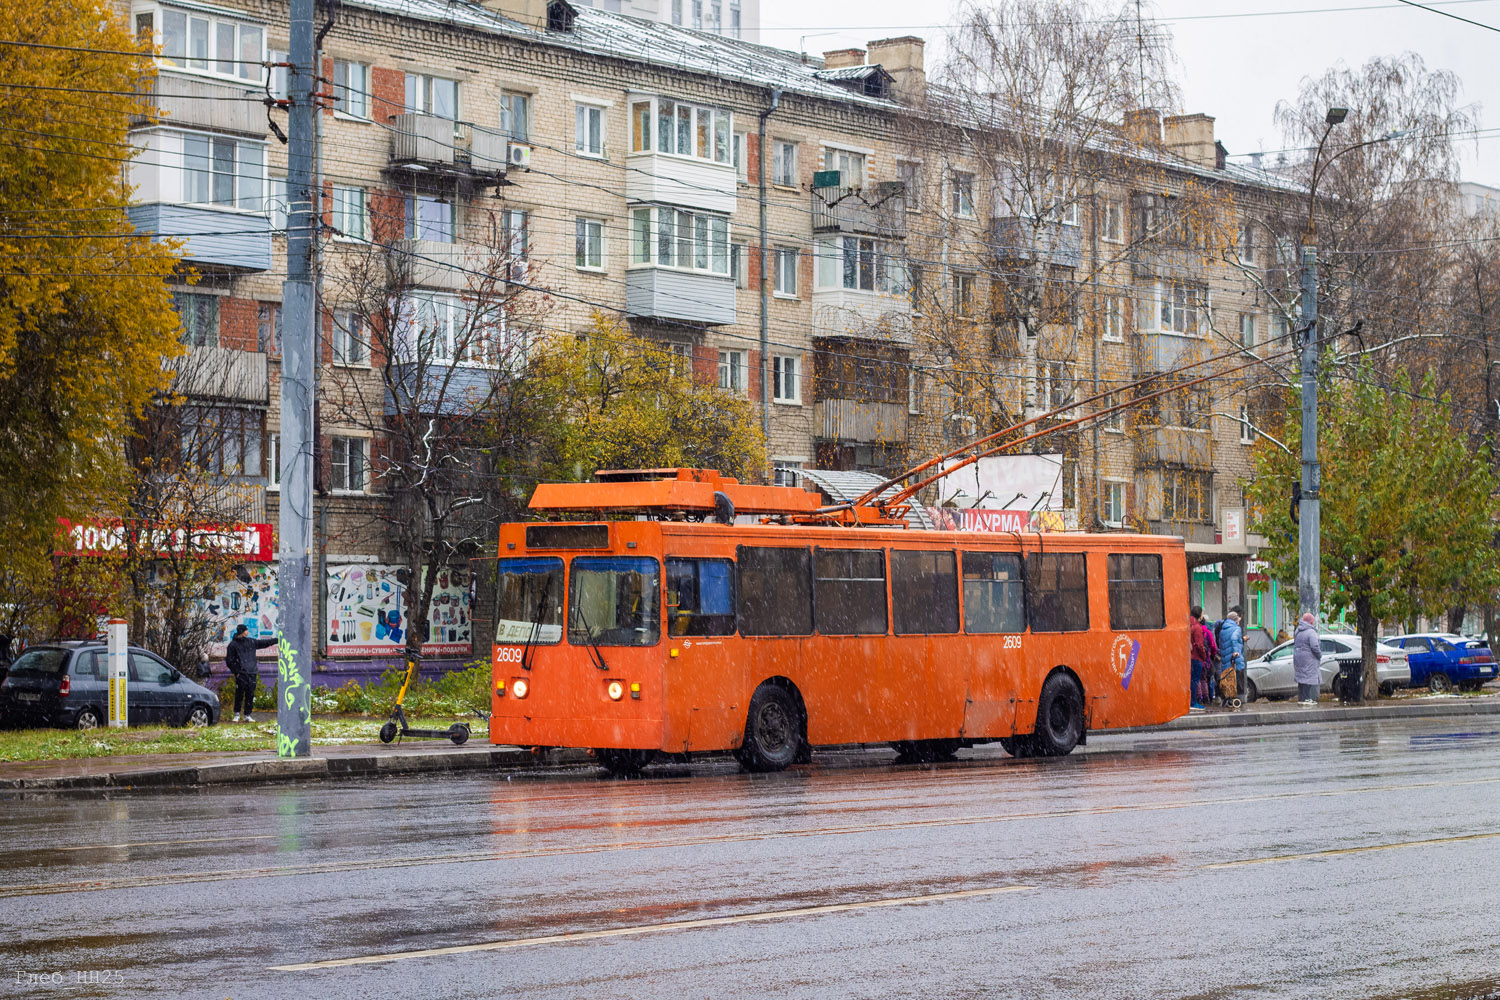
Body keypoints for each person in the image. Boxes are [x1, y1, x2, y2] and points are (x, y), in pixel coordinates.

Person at [224, 625, 276, 722]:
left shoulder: (251, 642)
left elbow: (265, 643)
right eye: (246, 630)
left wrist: (276, 640)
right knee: (239, 694)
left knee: (250, 694)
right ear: (242, 631)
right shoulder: (233, 645)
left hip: (252, 672)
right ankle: (237, 713)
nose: (247, 631)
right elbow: (229, 660)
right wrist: (236, 672)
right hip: (241, 673)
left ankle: (247, 714)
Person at [1292, 612, 1321, 706]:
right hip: (1309, 659)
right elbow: (1315, 646)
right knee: (1308, 679)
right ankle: (1307, 698)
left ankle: (1302, 698)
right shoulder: (1311, 632)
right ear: (1310, 622)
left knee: (1301, 679)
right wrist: (1319, 655)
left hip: (1298, 658)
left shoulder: (1298, 631)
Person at [1219, 610, 1245, 710]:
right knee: (1234, 679)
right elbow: (1234, 638)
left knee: (1228, 679)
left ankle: (1226, 698)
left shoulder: (1223, 629)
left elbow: (1221, 643)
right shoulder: (1236, 629)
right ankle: (1231, 699)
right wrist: (1236, 651)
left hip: (1226, 658)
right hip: (1234, 659)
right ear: (1235, 620)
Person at [1189, 607, 1208, 711]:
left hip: (1189, 656)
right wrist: (1204, 655)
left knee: (1191, 680)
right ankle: (1193, 702)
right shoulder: (1197, 627)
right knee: (1195, 680)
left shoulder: (1188, 624)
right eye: (1202, 613)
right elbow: (1200, 645)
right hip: (1196, 657)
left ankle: (1190, 701)